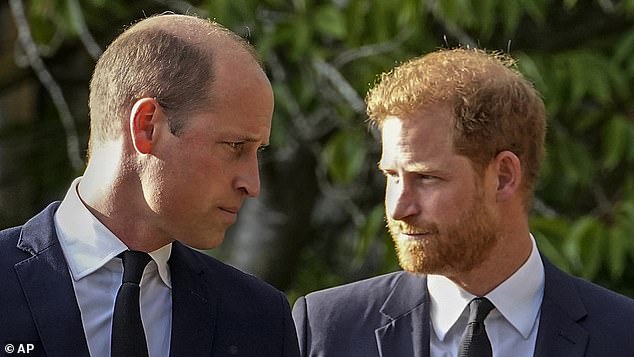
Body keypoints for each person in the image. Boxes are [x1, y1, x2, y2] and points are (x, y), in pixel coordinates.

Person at [292, 48, 634, 356]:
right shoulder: (327, 328)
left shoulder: (622, 335)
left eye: (426, 178)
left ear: (503, 176)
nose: (398, 208)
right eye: (392, 176)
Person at [0, 14, 299, 357]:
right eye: (235, 146)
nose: (252, 184)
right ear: (146, 127)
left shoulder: (259, 318)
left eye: (257, 151)